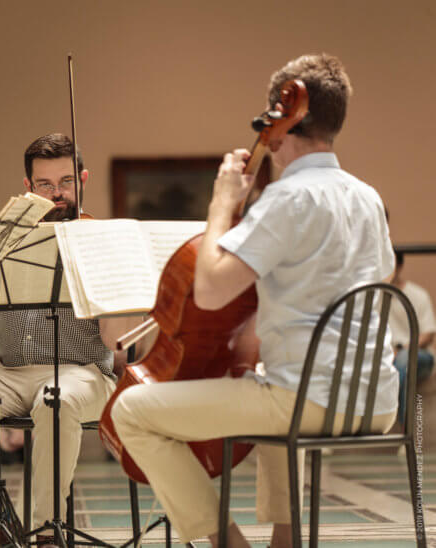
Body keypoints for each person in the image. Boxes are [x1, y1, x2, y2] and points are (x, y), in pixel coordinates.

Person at [111, 54, 398, 548]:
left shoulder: (288, 198)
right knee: (270, 375)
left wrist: (222, 203)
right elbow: (383, 273)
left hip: (309, 402)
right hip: (378, 400)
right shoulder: (366, 196)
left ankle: (229, 546)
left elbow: (210, 289)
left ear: (280, 120)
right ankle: (285, 541)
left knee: (131, 412)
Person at [0, 133, 134, 547]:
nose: (58, 194)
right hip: (10, 372)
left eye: (67, 182)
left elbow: (115, 342)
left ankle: (45, 530)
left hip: (84, 373)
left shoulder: (102, 242)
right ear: (28, 187)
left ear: (83, 179)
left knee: (55, 399)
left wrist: (116, 286)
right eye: (45, 185)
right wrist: (8, 254)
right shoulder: (9, 238)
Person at [389, 250, 435, 423]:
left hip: (419, 355)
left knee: (403, 361)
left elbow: (428, 335)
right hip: (386, 356)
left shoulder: (417, 295)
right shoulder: (375, 296)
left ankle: (404, 429)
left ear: (400, 266)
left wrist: (400, 350)